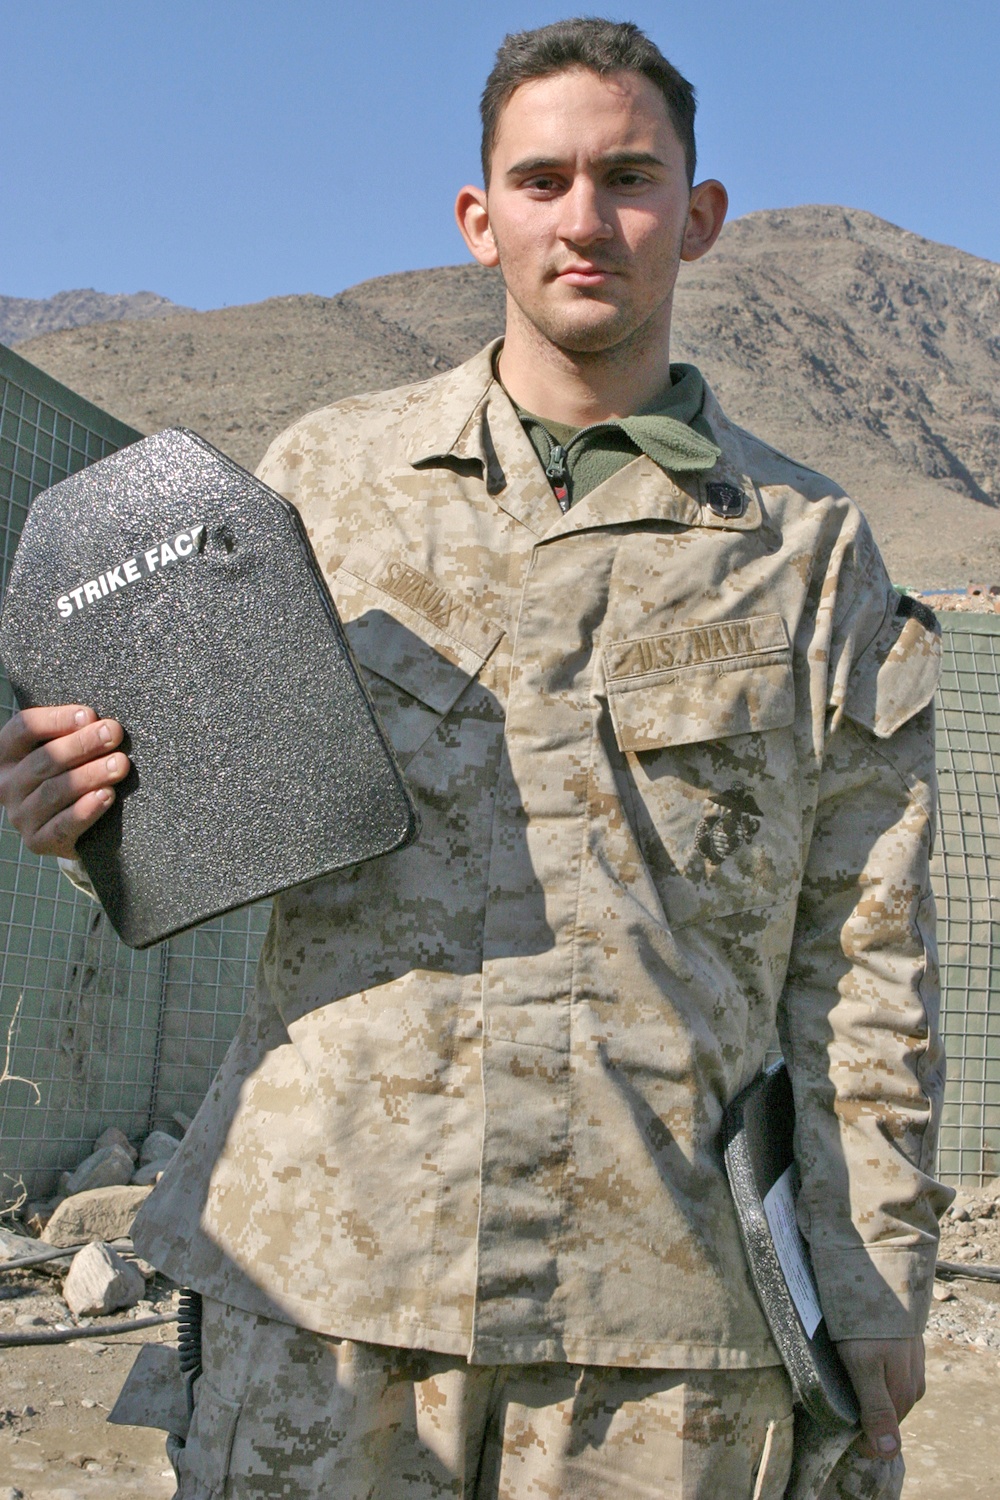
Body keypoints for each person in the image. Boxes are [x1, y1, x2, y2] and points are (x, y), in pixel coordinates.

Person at [0, 18, 950, 1500]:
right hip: (327, 1287)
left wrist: (875, 1254)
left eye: (631, 177)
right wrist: (82, 823)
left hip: (663, 1328)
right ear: (478, 217)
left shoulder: (812, 552)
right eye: (543, 177)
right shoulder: (321, 483)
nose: (586, 218)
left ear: (698, 215)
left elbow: (868, 946)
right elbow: (186, 838)